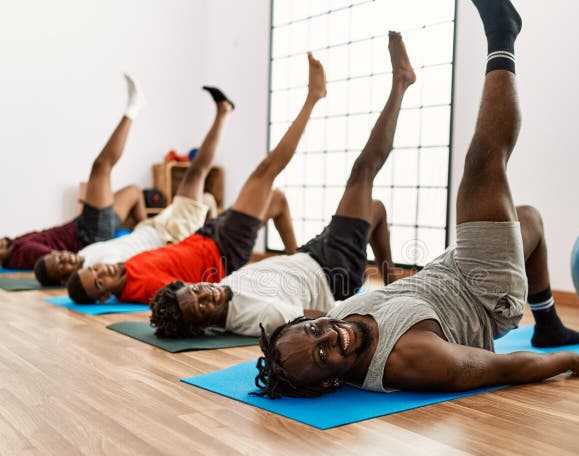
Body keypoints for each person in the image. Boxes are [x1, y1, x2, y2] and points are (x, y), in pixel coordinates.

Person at [254, 0, 579, 400]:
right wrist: (569, 362)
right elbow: (499, 367)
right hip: (485, 293)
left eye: (314, 331)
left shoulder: (329, 321)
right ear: (330, 381)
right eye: (323, 354)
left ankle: (549, 323)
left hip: (448, 268)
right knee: (483, 165)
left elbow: (299, 321)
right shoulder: (409, 360)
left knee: (528, 218)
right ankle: (503, 34)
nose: (329, 336)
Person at [147, 32, 413, 338]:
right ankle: (402, 82)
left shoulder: (223, 291)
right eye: (203, 306)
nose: (210, 294)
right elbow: (320, 317)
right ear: (204, 325)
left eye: (198, 291)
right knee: (361, 174)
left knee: (374, 210)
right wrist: (372, 320)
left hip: (308, 258)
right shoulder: (259, 316)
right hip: (330, 272)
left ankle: (393, 288)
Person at [66, 53, 326, 305]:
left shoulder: (125, 267)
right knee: (265, 172)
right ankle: (313, 98)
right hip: (221, 251)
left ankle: (299, 267)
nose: (103, 272)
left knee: (277, 199)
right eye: (99, 282)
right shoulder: (141, 286)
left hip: (205, 237)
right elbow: (188, 295)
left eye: (96, 270)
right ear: (103, 297)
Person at [34, 85, 236, 286]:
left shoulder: (83, 254)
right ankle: (223, 112)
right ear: (63, 279)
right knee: (195, 174)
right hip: (170, 236)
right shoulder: (97, 271)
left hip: (152, 227)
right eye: (61, 265)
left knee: (206, 197)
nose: (64, 258)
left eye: (58, 256)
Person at [0, 74, 148, 271]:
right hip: (88, 233)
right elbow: (54, 260)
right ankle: (133, 108)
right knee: (100, 168)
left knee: (134, 191)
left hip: (84, 226)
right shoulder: (22, 253)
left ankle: (148, 240)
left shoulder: (16, 244)